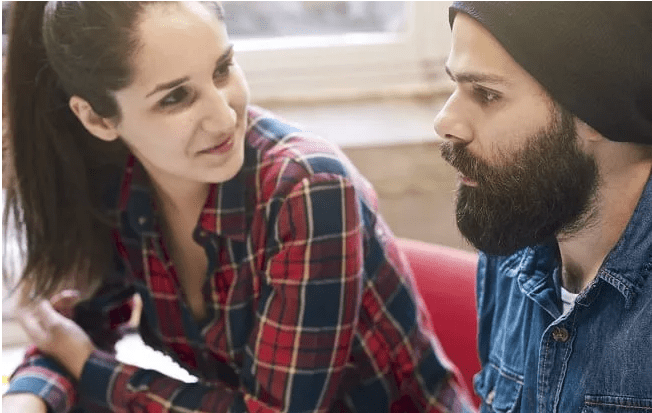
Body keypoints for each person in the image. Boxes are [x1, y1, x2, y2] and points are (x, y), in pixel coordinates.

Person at [2, 2, 476, 413]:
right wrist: (27, 396)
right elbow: (70, 334)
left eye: (222, 69)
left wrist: (89, 369)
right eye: (175, 97)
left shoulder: (309, 189)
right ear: (98, 118)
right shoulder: (120, 187)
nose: (225, 115)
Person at [434, 2, 652, 412]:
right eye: (454, 86)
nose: (445, 122)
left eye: (486, 93)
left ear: (597, 111)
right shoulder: (515, 235)